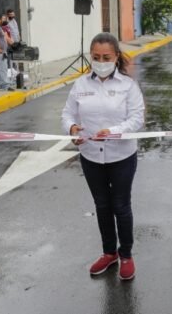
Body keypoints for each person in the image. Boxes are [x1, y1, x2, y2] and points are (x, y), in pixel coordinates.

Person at [61, 32, 145, 281]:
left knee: (120, 205)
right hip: (91, 156)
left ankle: (126, 254)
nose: (100, 61)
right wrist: (72, 129)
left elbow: (137, 119)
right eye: (96, 57)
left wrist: (114, 131)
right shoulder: (81, 84)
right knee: (102, 205)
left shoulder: (128, 86)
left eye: (106, 57)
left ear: (116, 56)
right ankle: (109, 252)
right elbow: (67, 114)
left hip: (121, 156)